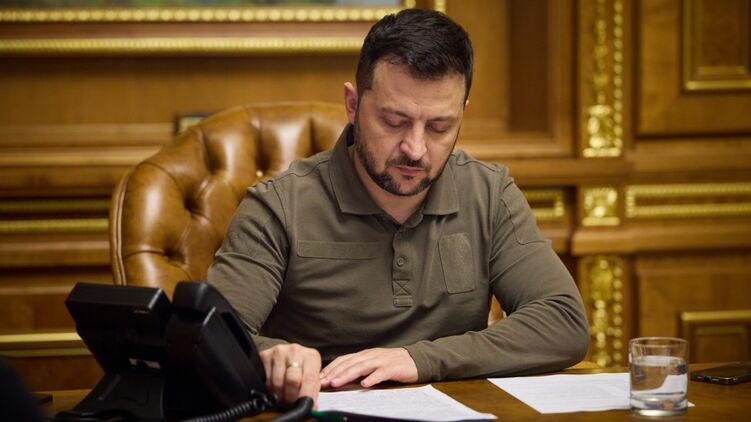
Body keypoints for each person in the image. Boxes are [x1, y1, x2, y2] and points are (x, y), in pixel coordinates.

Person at [208, 8, 589, 407]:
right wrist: (273, 357)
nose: (415, 148)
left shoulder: (489, 193)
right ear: (353, 104)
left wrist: (419, 359)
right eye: (394, 121)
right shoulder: (278, 206)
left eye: (440, 127)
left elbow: (562, 322)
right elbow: (211, 339)